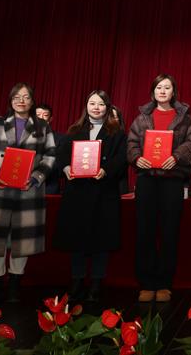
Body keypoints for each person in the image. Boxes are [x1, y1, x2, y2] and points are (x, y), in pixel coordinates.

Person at [0, 83, 56, 304]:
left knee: (22, 240)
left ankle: (15, 285)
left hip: (28, 190)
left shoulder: (42, 126)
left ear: (32, 101)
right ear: (11, 100)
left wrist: (35, 178)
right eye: (17, 97)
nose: (21, 101)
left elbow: (50, 156)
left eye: (26, 97)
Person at [127, 73, 191, 303]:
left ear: (173, 91)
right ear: (153, 91)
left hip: (172, 180)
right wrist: (136, 158)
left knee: (169, 232)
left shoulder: (185, 118)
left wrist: (176, 156)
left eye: (167, 87)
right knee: (145, 231)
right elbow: (131, 143)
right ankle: (147, 283)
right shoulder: (142, 118)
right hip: (147, 180)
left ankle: (165, 283)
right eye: (159, 87)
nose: (163, 91)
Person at [53, 90, 127, 303]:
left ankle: (96, 283)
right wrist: (66, 167)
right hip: (77, 193)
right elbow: (61, 155)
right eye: (92, 103)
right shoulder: (74, 130)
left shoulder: (117, 133)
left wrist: (106, 170)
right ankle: (76, 281)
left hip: (103, 193)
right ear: (86, 106)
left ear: (107, 107)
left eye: (101, 104)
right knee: (76, 240)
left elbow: (122, 159)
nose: (96, 107)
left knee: (101, 241)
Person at [36, 104, 65, 194]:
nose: (41, 118)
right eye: (38, 115)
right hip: (24, 187)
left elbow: (61, 165)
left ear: (50, 119)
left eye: (45, 115)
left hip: (49, 187)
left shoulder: (60, 139)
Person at [110, 105, 130, 195]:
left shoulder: (123, 137)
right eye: (109, 117)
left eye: (115, 117)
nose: (112, 120)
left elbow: (123, 161)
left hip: (118, 183)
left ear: (119, 119)